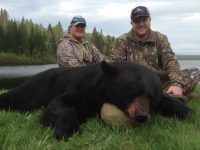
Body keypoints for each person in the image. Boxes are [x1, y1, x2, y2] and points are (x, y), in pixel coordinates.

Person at [110, 6, 200, 102]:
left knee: (195, 72)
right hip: (133, 86)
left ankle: (167, 96)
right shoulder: (121, 41)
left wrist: (177, 84)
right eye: (137, 21)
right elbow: (114, 66)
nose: (141, 24)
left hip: (158, 83)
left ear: (150, 20)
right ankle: (170, 98)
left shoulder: (160, 38)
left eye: (144, 20)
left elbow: (171, 62)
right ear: (131, 23)